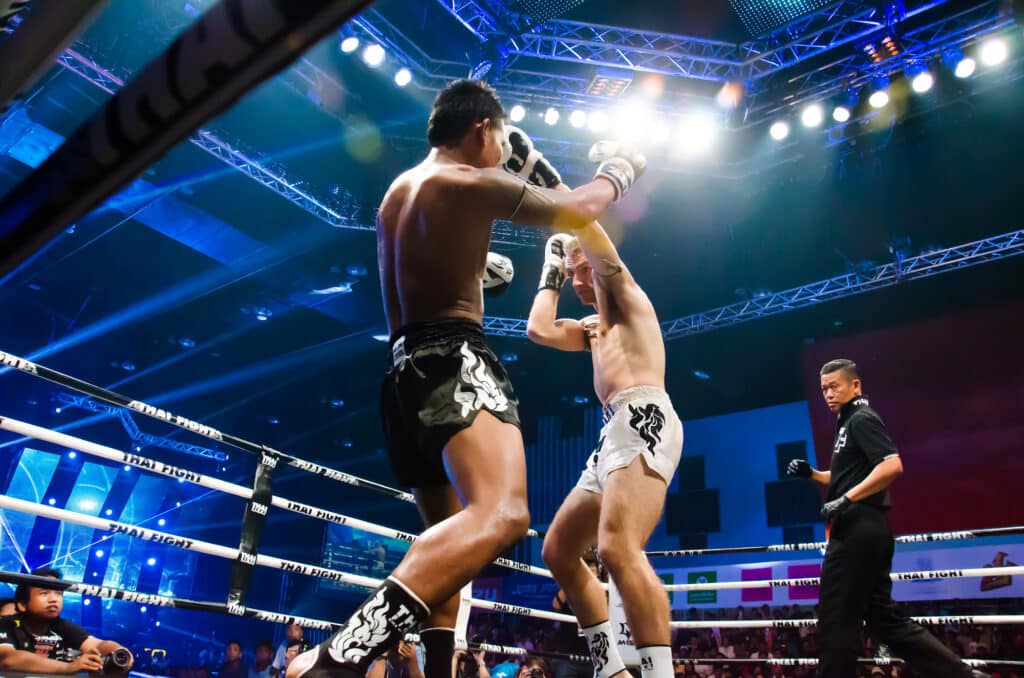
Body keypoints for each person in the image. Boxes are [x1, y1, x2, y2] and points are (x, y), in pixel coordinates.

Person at [289, 78, 645, 678]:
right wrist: (620, 170)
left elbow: (423, 277)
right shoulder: (467, 181)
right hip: (455, 362)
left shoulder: (398, 194)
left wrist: (479, 277)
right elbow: (580, 209)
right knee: (503, 515)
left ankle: (433, 671)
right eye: (501, 139)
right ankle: (336, 659)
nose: (505, 152)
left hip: (404, 374)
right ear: (483, 129)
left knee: (451, 542)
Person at [524, 145, 682, 678]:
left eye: (578, 268)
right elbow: (539, 329)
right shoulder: (592, 329)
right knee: (559, 550)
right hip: (610, 431)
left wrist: (546, 180)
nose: (576, 278)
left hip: (645, 418)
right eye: (570, 274)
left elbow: (588, 227)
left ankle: (658, 676)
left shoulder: (629, 297)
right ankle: (609, 668)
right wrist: (549, 267)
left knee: (616, 548)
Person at [786, 359, 986, 678]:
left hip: (856, 530)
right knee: (883, 618)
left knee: (836, 618)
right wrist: (811, 474)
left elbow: (892, 465)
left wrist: (845, 499)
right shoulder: (846, 423)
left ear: (856, 386)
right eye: (823, 388)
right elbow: (844, 479)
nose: (828, 394)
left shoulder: (862, 418)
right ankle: (962, 675)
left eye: (835, 386)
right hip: (868, 529)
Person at [0, 567, 133, 674]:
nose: (54, 599)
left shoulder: (61, 626)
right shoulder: (6, 624)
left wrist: (119, 651)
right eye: (44, 593)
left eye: (58, 593)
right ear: (22, 604)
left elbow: (96, 645)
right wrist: (68, 668)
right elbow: (7, 659)